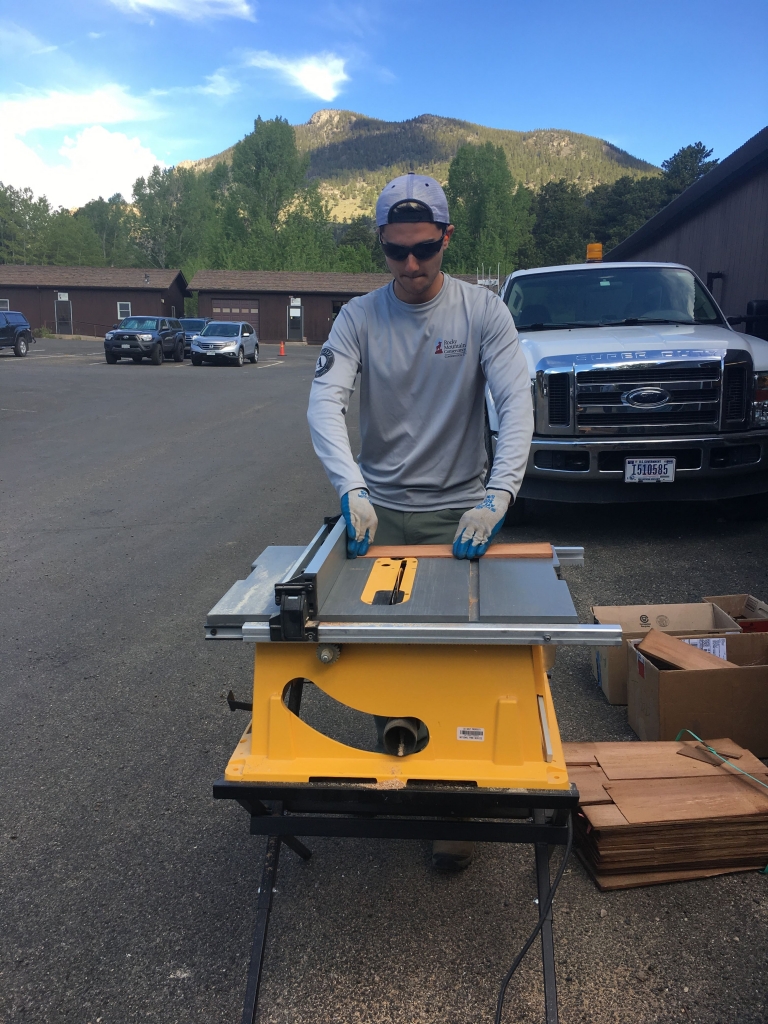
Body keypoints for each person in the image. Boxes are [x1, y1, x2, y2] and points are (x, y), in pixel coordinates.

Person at [307, 172, 533, 869]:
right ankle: (403, 772)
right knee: (381, 656)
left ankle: (454, 797)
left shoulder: (482, 314)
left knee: (456, 658)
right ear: (381, 245)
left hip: (460, 516)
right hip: (381, 518)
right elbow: (324, 404)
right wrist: (351, 490)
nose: (409, 267)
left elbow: (516, 402)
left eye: (423, 251)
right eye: (394, 252)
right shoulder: (358, 319)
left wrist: (498, 495)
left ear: (446, 239)